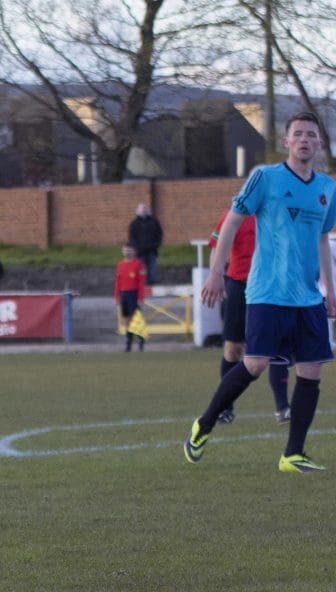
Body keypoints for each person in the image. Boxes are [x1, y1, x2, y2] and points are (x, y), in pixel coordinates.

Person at [184, 111, 336, 473]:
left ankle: (292, 453)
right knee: (253, 364)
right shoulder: (265, 178)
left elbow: (322, 238)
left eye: (310, 135)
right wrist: (216, 273)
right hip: (267, 291)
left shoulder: (327, 188)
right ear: (286, 142)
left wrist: (330, 288)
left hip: (307, 297)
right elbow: (232, 221)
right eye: (297, 133)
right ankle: (204, 424)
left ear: (318, 143)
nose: (303, 139)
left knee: (312, 371)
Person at [207, 209, 291, 425]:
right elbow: (216, 247)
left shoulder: (277, 214)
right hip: (239, 284)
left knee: (277, 346)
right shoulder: (233, 215)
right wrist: (215, 277)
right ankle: (226, 407)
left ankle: (283, 407)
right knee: (233, 348)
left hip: (270, 287)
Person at [113, 243, 145, 352]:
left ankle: (141, 340)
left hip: (134, 294)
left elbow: (141, 283)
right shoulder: (120, 265)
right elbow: (118, 282)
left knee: (135, 318)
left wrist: (140, 298)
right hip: (124, 294)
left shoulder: (138, 264)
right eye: (125, 250)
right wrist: (116, 296)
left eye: (129, 250)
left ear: (134, 252)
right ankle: (128, 343)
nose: (127, 252)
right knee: (126, 319)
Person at [128, 203, 163, 285]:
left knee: (152, 267)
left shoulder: (154, 222)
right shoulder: (134, 224)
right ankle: (141, 282)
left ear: (148, 211)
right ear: (137, 211)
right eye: (141, 209)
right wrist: (136, 247)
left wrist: (155, 245)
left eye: (145, 209)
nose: (143, 211)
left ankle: (151, 282)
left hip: (152, 250)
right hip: (140, 251)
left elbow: (159, 234)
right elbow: (132, 237)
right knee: (141, 267)